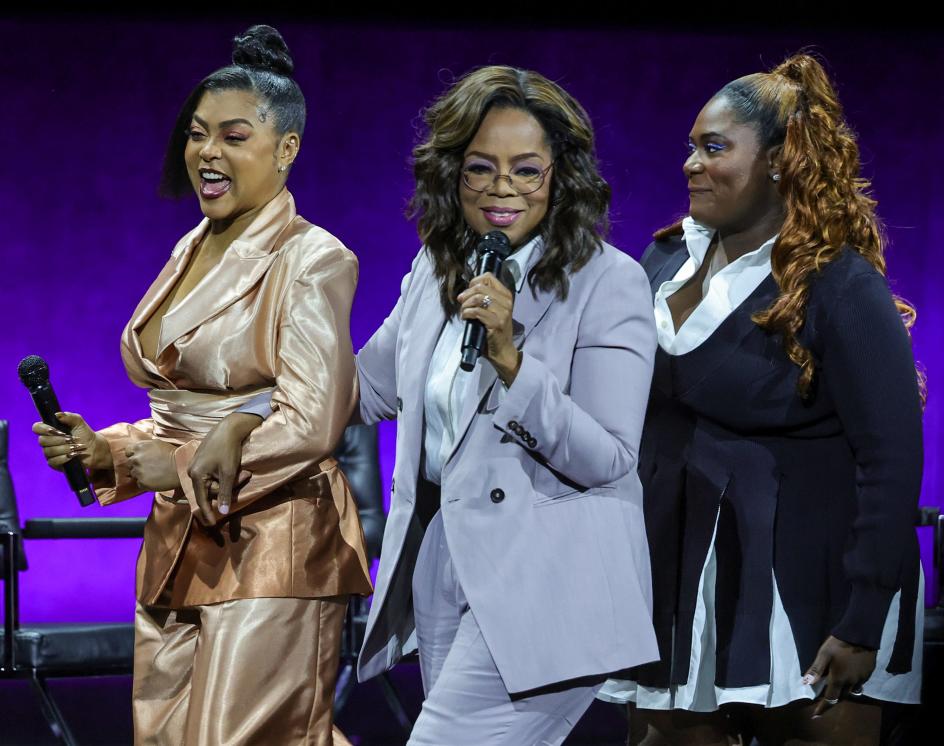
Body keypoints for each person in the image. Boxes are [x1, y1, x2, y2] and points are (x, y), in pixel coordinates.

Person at [213, 64, 660, 744]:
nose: (502, 189)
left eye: (526, 170)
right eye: (481, 168)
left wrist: (513, 360)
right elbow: (363, 390)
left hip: (547, 580)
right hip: (444, 562)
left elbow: (609, 457)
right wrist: (247, 411)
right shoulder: (436, 269)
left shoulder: (609, 282)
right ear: (452, 175)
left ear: (560, 177)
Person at [31, 25, 370, 746]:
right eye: (196, 135)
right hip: (178, 543)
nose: (206, 154)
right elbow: (182, 411)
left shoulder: (312, 258)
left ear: (287, 149)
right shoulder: (191, 247)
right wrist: (110, 453)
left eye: (233, 136)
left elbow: (312, 420)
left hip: (272, 545)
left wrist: (178, 465)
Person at [598, 53, 924, 746]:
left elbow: (891, 460)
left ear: (779, 161)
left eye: (714, 148)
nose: (690, 163)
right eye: (690, 146)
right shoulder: (663, 259)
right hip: (685, 580)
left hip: (812, 589)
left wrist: (861, 617)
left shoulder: (839, 283)